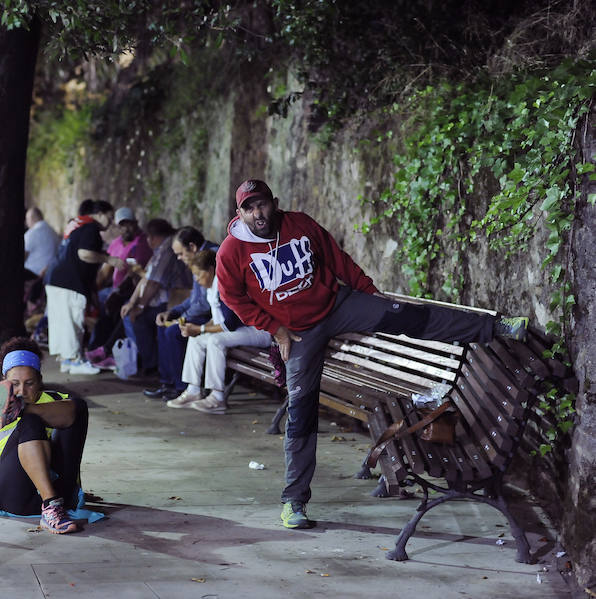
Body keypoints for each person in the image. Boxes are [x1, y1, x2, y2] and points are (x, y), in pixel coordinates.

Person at [216, 178, 530, 530]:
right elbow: (233, 298)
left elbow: (337, 259)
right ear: (239, 212)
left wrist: (370, 294)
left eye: (262, 204)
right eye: (249, 207)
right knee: (301, 412)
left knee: (406, 314)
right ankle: (294, 502)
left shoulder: (299, 223)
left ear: (274, 202)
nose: (258, 213)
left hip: (336, 305)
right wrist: (275, 329)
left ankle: (494, 328)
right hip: (298, 332)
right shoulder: (231, 252)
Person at [0, 337, 99, 534]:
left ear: (40, 380)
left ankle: (56, 500)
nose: (22, 390)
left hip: (57, 495)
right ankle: (50, 506)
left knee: (77, 407)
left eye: (29, 383)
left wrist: (26, 408)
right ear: (3, 381)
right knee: (30, 422)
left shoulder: (57, 401)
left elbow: (72, 429)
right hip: (8, 495)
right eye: (15, 384)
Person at [166, 250, 272, 414]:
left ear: (210, 270)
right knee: (196, 339)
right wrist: (196, 330)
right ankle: (193, 391)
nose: (197, 280)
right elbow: (217, 320)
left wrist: (200, 328)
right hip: (242, 330)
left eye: (198, 274)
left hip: (260, 331)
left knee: (215, 341)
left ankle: (217, 397)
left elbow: (229, 324)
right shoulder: (212, 287)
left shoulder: (226, 285)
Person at [44, 199, 119, 375]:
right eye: (110, 216)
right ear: (100, 213)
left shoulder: (77, 225)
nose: (112, 222)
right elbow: (84, 254)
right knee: (72, 321)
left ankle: (66, 360)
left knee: (62, 322)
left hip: (56, 279)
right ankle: (75, 360)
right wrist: (109, 259)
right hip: (70, 282)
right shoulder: (91, 228)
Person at [143, 226, 216, 399]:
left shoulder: (211, 256)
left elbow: (206, 303)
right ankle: (167, 382)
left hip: (213, 317)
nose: (179, 258)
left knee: (173, 331)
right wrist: (173, 312)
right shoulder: (197, 257)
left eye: (181, 254)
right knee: (162, 325)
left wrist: (182, 319)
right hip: (200, 312)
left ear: (192, 246)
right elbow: (194, 297)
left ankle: (180, 387)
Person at [120, 219, 191, 376]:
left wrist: (139, 307)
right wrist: (133, 303)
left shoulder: (167, 249)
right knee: (133, 315)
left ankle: (154, 367)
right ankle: (156, 368)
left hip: (174, 300)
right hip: (173, 301)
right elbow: (148, 278)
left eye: (149, 237)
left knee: (145, 320)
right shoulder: (161, 250)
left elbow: (153, 282)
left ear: (154, 236)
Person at [85, 207, 153, 364]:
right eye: (122, 225)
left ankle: (108, 351)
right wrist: (93, 291)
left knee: (119, 307)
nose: (126, 228)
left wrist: (117, 293)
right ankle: (95, 348)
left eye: (129, 224)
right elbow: (105, 272)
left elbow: (135, 273)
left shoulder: (141, 243)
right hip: (115, 288)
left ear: (135, 223)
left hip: (133, 290)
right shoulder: (116, 243)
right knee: (99, 301)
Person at [24, 206, 60, 279]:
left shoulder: (31, 233)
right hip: (52, 273)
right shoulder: (53, 232)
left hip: (34, 275)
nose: (26, 223)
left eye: (27, 219)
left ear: (31, 219)